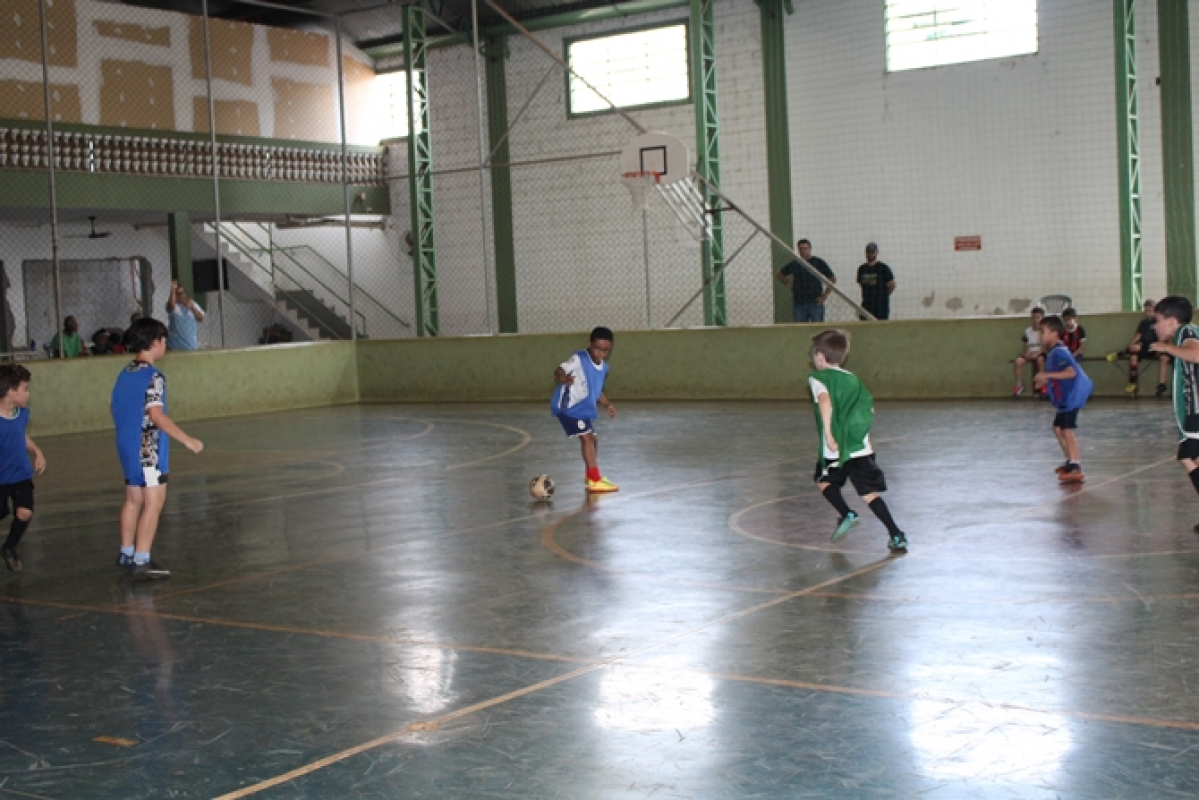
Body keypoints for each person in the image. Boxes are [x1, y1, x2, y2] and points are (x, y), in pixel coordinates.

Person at [111, 317, 204, 580]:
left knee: (133, 499)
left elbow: (114, 409)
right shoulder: (154, 377)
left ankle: (126, 552)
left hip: (127, 446)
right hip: (147, 450)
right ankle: (142, 560)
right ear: (155, 342)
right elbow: (156, 415)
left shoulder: (125, 373)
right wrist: (186, 439)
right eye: (164, 340)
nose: (165, 345)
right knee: (154, 501)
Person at [808, 328, 908, 553]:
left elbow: (824, 401)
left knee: (823, 480)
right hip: (860, 447)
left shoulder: (818, 378)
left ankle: (847, 513)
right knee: (868, 494)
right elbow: (868, 408)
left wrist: (829, 436)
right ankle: (896, 534)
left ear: (820, 356)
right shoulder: (852, 378)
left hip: (836, 448)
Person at [1149, 296, 1199, 530]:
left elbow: (1197, 354)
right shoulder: (1184, 335)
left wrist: (1167, 347)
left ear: (1171, 321)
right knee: (1189, 457)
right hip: (1193, 412)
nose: (1155, 327)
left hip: (1197, 411)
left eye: (1158, 321)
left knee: (1188, 457)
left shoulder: (1185, 331)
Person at [551, 326, 618, 494]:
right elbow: (559, 369)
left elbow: (597, 391)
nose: (600, 353)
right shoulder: (579, 358)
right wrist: (563, 377)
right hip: (569, 408)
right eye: (597, 348)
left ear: (610, 349)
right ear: (589, 344)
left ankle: (590, 475)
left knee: (593, 439)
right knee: (587, 438)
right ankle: (594, 480)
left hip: (582, 409)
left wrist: (607, 404)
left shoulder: (603, 368)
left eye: (605, 350)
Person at [1034, 315, 1093, 484]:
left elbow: (1071, 373)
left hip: (1072, 397)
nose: (1040, 335)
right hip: (1066, 398)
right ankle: (1070, 460)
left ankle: (1075, 465)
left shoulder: (1060, 352)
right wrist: (1046, 380)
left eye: (1042, 331)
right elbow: (1059, 376)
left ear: (1054, 333)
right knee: (1057, 428)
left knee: (1066, 430)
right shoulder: (1053, 352)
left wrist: (1046, 375)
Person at [0, 366, 46, 573]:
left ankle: (9, 547)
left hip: (20, 474)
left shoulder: (22, 414)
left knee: (25, 513)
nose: (28, 394)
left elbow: (20, 434)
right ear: (11, 391)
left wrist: (37, 451)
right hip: (1, 478)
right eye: (25, 389)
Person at [1109, 299, 1169, 397]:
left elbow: (1165, 336)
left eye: (1150, 310)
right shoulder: (1143, 323)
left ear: (1155, 311)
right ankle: (1132, 383)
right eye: (1146, 310)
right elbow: (1138, 335)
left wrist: (1161, 346)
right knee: (1134, 354)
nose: (1147, 313)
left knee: (1163, 357)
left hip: (1155, 347)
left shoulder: (1160, 321)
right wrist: (1130, 345)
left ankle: (1161, 385)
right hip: (1144, 346)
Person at [777, 239, 835, 323]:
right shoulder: (795, 263)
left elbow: (832, 279)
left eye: (805, 248)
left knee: (817, 328)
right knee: (801, 328)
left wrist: (825, 296)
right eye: (800, 249)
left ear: (810, 249)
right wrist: (790, 285)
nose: (803, 251)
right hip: (799, 303)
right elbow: (780, 274)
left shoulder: (818, 262)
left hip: (815, 302)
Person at [855, 243, 895, 320]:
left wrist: (884, 295)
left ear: (877, 252)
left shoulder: (883, 268)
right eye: (868, 251)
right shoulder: (862, 269)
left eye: (872, 251)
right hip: (866, 305)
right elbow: (861, 284)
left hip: (881, 307)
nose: (870, 253)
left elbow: (892, 284)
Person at [1012, 307, 1046, 398]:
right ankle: (1019, 385)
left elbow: (1045, 346)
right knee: (1018, 362)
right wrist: (1026, 353)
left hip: (1040, 353)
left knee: (1041, 360)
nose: (1035, 320)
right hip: (1030, 353)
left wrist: (1037, 354)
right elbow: (1025, 344)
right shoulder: (1027, 331)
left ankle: (1043, 384)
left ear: (1042, 318)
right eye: (1033, 318)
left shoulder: (1044, 331)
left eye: (1038, 318)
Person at [166, 280, 205, 351]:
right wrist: (173, 289)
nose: (181, 295)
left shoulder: (192, 303)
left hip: (191, 345)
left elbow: (201, 318)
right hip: (175, 346)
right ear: (175, 295)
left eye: (183, 293)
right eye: (178, 294)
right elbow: (171, 305)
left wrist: (192, 308)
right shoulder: (174, 306)